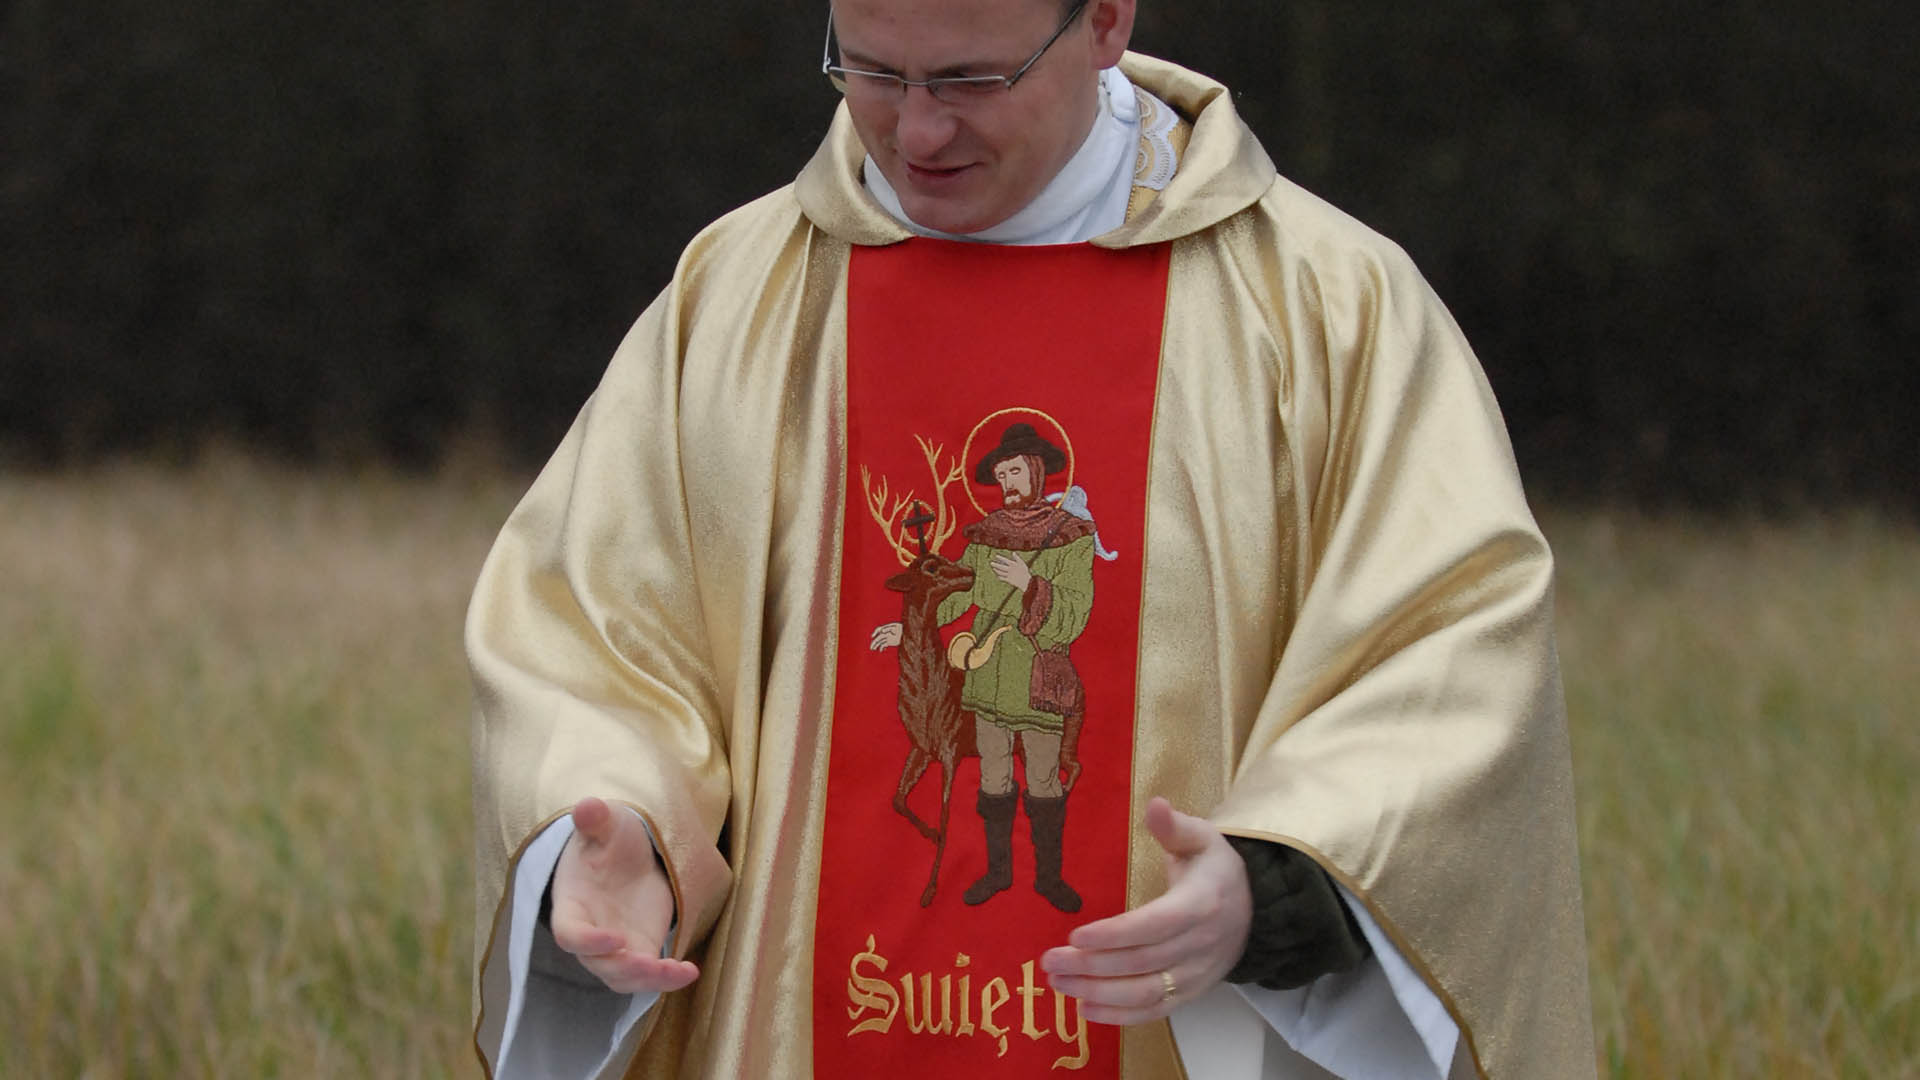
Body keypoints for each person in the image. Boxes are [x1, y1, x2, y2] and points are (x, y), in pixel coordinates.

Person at [466, 0, 1594, 1077]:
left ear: (1105, 20)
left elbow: (1448, 644)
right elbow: (594, 631)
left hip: (1171, 1031)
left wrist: (1284, 882)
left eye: (968, 79)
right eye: (870, 69)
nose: (916, 129)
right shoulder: (735, 303)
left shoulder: (1327, 310)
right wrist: (615, 838)